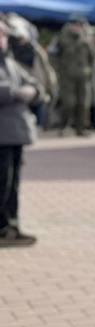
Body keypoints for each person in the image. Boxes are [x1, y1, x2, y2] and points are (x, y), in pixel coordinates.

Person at [0, 26, 40, 246]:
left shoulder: (10, 62)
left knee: (12, 184)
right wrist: (15, 92)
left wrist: (33, 91)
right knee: (2, 184)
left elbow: (33, 82)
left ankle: (11, 226)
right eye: (1, 34)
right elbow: (13, 88)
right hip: (3, 134)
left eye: (4, 34)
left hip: (15, 134)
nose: (4, 38)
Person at [50, 16, 95, 137]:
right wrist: (58, 70)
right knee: (68, 103)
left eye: (80, 25)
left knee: (84, 103)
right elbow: (53, 56)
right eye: (76, 24)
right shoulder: (61, 38)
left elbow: (92, 57)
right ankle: (63, 126)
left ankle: (81, 129)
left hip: (83, 76)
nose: (78, 27)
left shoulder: (86, 40)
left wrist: (89, 70)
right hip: (67, 77)